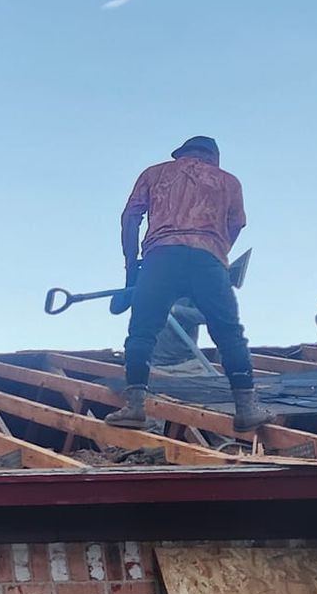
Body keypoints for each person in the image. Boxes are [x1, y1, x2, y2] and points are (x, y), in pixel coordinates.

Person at [106, 136, 272, 432]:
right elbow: (235, 224)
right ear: (214, 157)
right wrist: (218, 255)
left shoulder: (155, 173)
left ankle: (134, 407)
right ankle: (246, 408)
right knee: (230, 334)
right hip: (209, 259)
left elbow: (130, 218)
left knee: (142, 332)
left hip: (160, 257)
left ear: (180, 154)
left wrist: (132, 267)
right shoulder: (228, 181)